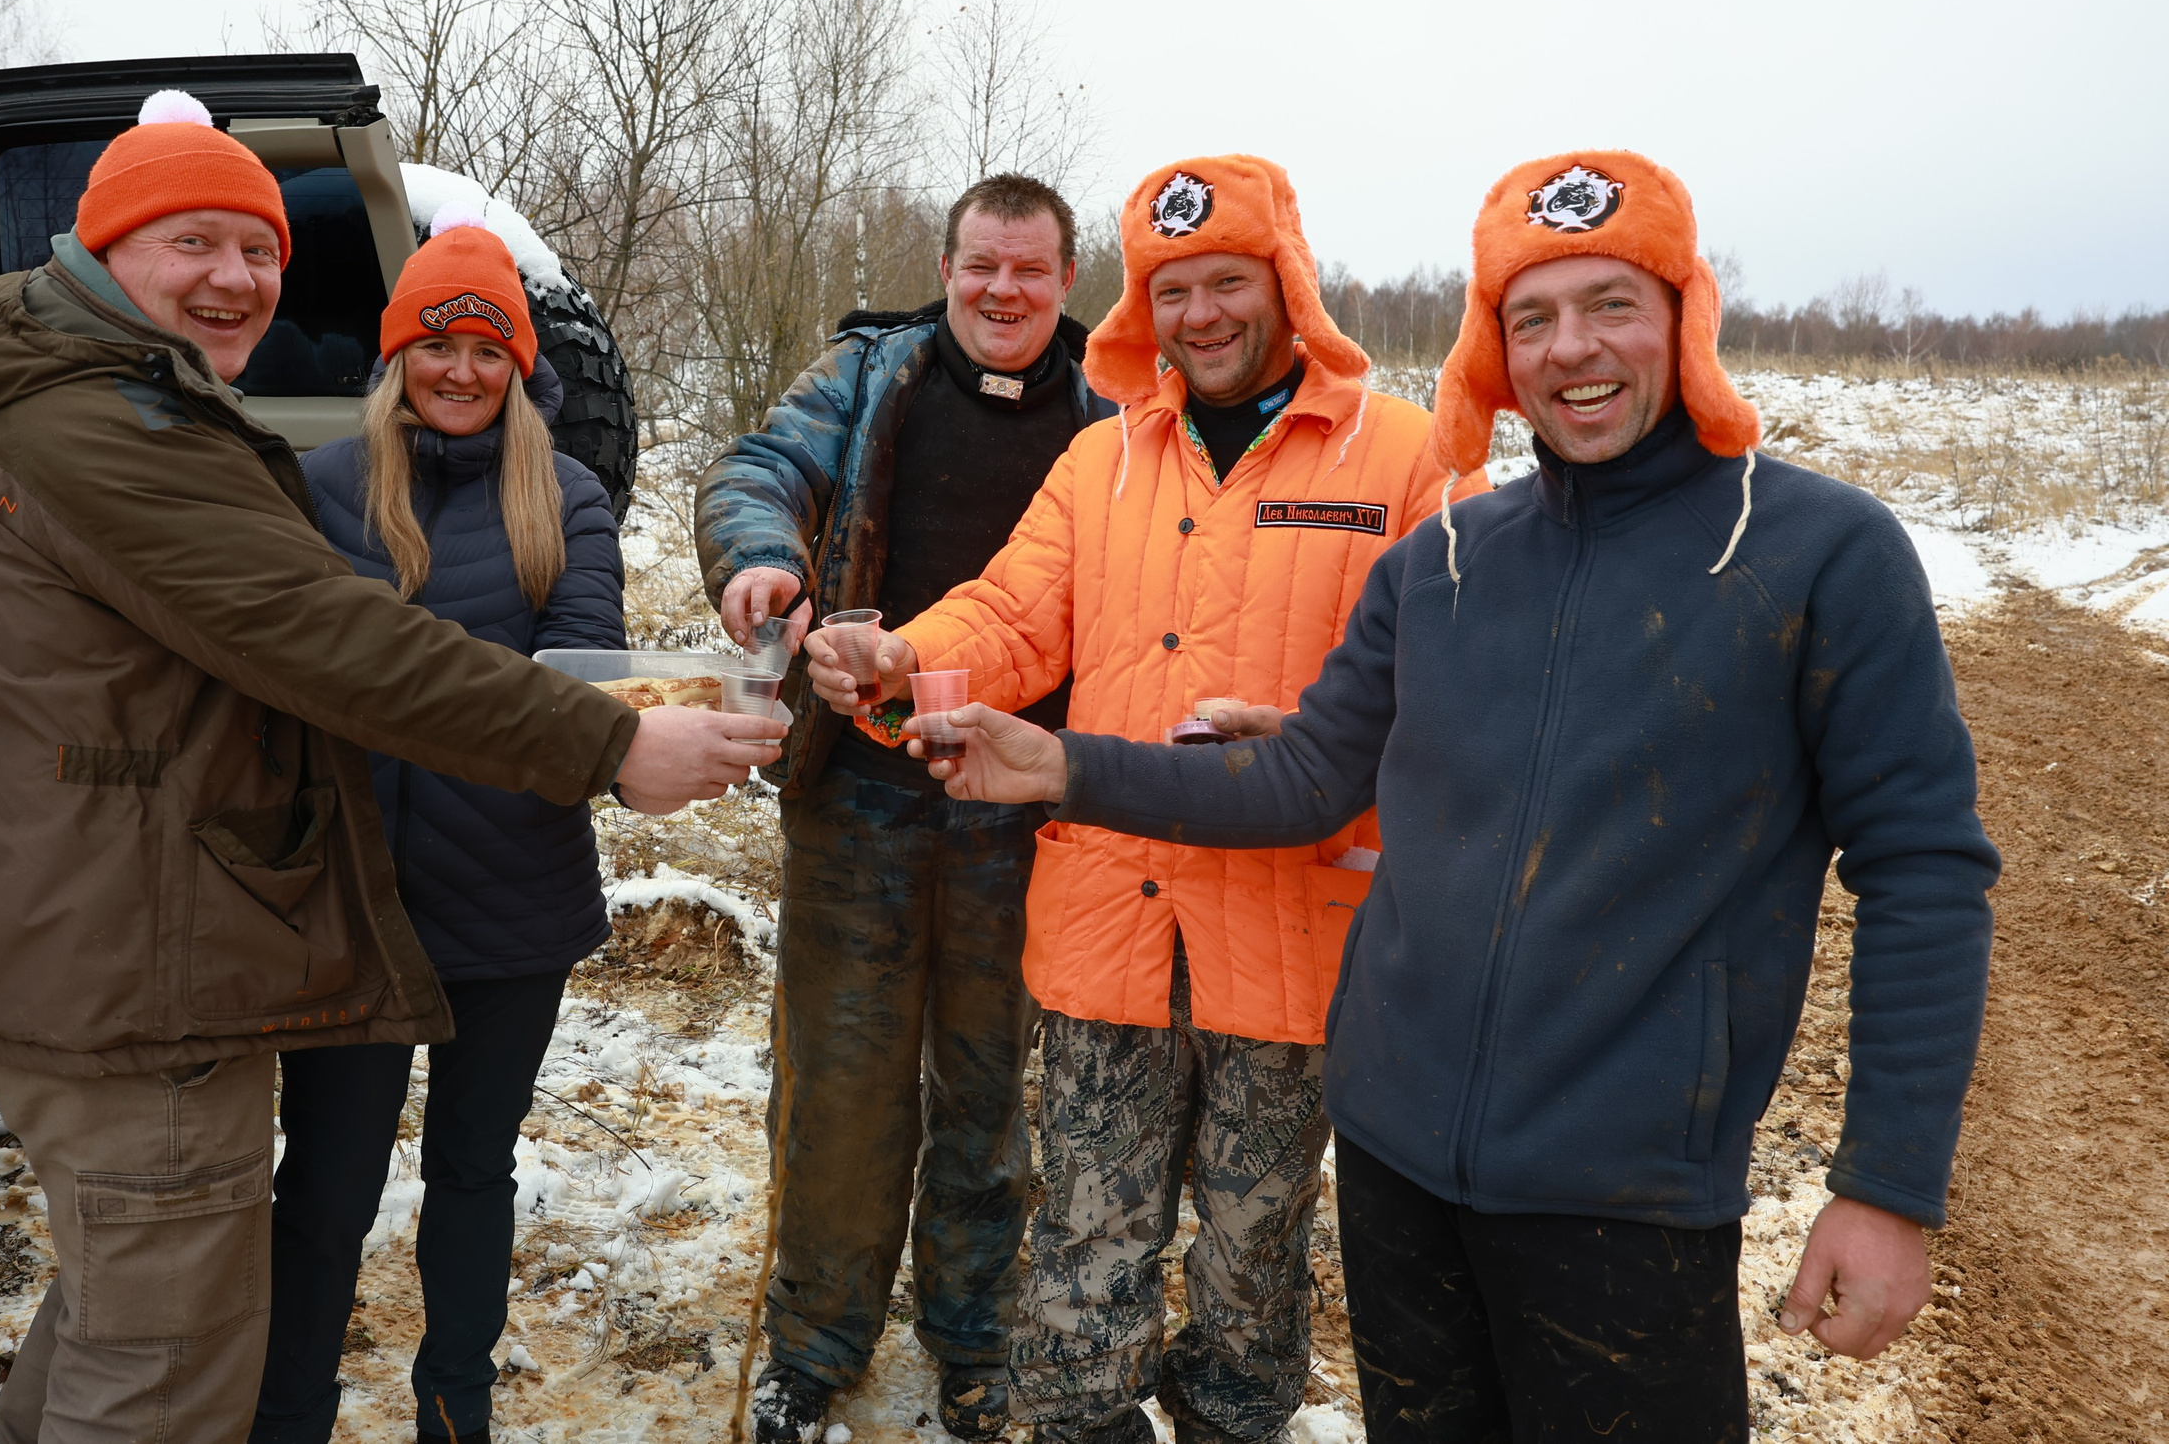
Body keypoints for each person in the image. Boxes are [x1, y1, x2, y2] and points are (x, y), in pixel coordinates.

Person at [910, 150, 2002, 1443]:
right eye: (1529, 315)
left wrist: (1885, 1185)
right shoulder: (1444, 561)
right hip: (1393, 1172)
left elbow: (1926, 868)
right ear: (1491, 346)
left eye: (1610, 302)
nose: (1570, 347)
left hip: (1631, 1199)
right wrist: (1067, 764)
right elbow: (1309, 772)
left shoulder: (1812, 551)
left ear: (1682, 315)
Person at [0, 92, 778, 1444]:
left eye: (262, 251)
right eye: (195, 242)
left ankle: (446, 1403)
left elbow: (515, 656)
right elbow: (333, 647)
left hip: (269, 917)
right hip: (160, 943)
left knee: (130, 1305)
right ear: (106, 248)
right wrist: (609, 742)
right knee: (167, 1354)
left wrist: (634, 709)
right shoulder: (145, 437)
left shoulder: (129, 414)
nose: (236, 277)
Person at [803, 156, 1480, 1444]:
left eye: (1229, 282)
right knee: (1082, 1261)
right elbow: (1010, 617)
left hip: (1292, 951)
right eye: (1173, 289)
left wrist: (1334, 746)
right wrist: (900, 655)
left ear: (1287, 284)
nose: (1201, 315)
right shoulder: (1101, 461)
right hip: (1109, 928)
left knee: (1248, 1269)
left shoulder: (1405, 459)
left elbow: (1474, 680)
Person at [693, 173, 1115, 1442]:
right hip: (857, 799)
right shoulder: (871, 379)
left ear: (1064, 280)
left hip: (1025, 809)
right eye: (980, 266)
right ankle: (815, 1346)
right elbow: (756, 466)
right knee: (843, 1081)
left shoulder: (1116, 414)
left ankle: (974, 1340)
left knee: (988, 1095)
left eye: (1028, 271)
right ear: (945, 268)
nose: (1002, 292)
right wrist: (761, 557)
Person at [249, 203, 627, 1444]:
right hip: (352, 903)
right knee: (325, 1189)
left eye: (486, 350)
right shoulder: (320, 489)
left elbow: (584, 685)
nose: (459, 371)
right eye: (435, 345)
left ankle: (454, 1411)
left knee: (473, 1172)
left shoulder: (564, 496)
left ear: (521, 367)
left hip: (511, 902)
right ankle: (288, 1414)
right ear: (395, 356)